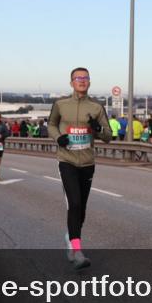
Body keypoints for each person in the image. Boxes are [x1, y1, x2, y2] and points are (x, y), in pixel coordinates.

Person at [47, 67, 113, 270]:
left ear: (89, 82)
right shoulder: (60, 104)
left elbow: (109, 136)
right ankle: (77, 250)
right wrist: (59, 138)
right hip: (67, 161)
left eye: (85, 78)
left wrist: (98, 129)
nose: (82, 81)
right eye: (78, 78)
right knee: (74, 203)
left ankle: (71, 235)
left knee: (81, 209)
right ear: (71, 82)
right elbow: (51, 125)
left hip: (87, 163)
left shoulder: (96, 107)